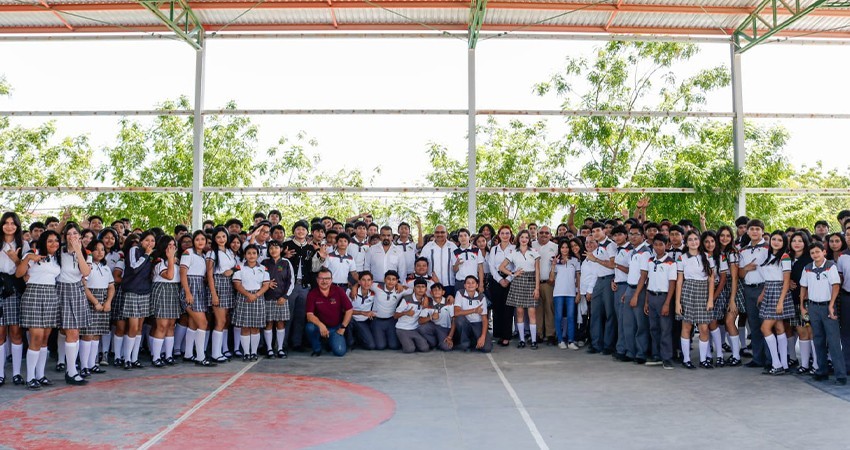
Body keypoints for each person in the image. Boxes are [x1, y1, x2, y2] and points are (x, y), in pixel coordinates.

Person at [17, 230, 62, 389]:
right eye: (50, 241)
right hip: (34, 295)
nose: (54, 244)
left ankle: (40, 375)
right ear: (43, 242)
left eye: (56, 240)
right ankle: (30, 377)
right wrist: (28, 258)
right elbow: (19, 273)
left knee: (44, 339)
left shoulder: (57, 258)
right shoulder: (33, 253)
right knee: (36, 337)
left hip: (51, 296)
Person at [800, 242, 846, 385]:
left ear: (824, 252)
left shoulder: (831, 266)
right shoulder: (807, 268)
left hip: (827, 307)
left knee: (833, 341)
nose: (815, 255)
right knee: (818, 340)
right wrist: (802, 306)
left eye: (817, 252)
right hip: (813, 307)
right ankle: (822, 371)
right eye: (812, 253)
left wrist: (831, 305)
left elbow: (836, 286)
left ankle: (840, 375)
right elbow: (803, 286)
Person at [55, 223, 93, 384]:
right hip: (60, 290)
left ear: (80, 236)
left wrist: (78, 251)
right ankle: (66, 367)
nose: (72, 236)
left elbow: (85, 272)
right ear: (65, 236)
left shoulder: (86, 253)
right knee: (67, 331)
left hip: (77, 291)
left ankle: (71, 370)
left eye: (75, 233)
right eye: (69, 233)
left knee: (74, 332)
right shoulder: (58, 251)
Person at [675, 230, 715, 370]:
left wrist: (710, 299)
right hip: (688, 291)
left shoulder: (707, 257)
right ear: (686, 243)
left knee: (704, 327)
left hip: (703, 292)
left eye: (696, 239)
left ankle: (703, 359)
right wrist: (677, 302)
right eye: (690, 240)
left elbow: (711, 280)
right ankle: (686, 359)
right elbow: (679, 281)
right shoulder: (682, 258)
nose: (693, 242)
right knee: (687, 326)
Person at [757, 230, 795, 376]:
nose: (776, 242)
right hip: (769, 291)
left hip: (779, 292)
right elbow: (768, 278)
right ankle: (783, 364)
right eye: (774, 239)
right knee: (779, 328)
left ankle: (777, 364)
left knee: (765, 328)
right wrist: (762, 294)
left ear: (784, 242)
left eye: (780, 240)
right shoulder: (769, 256)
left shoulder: (785, 257)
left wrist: (780, 302)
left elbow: (786, 281)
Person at [0, 211, 28, 387]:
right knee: (0, 333)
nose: (9, 226)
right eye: (6, 222)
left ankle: (17, 373)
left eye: (13, 223)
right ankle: (0, 373)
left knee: (16, 333)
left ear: (17, 226)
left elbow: (24, 271)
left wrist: (15, 258)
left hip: (15, 288)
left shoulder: (23, 244)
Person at [500, 229, 541, 350]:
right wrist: (513, 274)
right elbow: (501, 267)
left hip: (531, 282)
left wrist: (537, 288)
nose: (524, 239)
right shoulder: (513, 252)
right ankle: (522, 340)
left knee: (532, 312)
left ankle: (533, 340)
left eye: (526, 237)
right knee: (519, 312)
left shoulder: (534, 252)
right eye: (522, 237)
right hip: (518, 282)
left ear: (529, 239)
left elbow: (537, 271)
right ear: (518, 238)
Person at [642, 235, 677, 369]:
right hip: (651, 296)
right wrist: (646, 301)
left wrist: (667, 303)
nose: (658, 247)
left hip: (664, 297)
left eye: (661, 244)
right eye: (655, 244)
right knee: (654, 328)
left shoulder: (671, 263)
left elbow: (672, 284)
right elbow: (648, 281)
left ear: (667, 245)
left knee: (665, 328)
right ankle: (656, 355)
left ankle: (667, 357)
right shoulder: (650, 261)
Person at [180, 230, 215, 367]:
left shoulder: (204, 255)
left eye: (203, 239)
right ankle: (200, 357)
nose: (200, 242)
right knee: (203, 323)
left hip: (200, 287)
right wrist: (188, 293)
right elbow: (183, 273)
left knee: (193, 323)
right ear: (193, 241)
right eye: (197, 239)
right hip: (191, 288)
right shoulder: (188, 253)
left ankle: (188, 354)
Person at [79, 239, 114, 377]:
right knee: (88, 334)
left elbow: (111, 286)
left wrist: (108, 302)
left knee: (96, 334)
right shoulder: (88, 266)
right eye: (96, 249)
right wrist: (95, 302)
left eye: (102, 249)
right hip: (90, 300)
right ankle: (84, 366)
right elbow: (84, 286)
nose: (100, 252)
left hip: (103, 299)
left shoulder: (106, 268)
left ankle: (92, 364)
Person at [739, 219, 770, 369]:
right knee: (754, 324)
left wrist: (765, 291)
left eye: (758, 229)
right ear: (747, 231)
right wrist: (745, 268)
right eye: (752, 229)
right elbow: (740, 273)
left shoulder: (768, 248)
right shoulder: (743, 250)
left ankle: (770, 359)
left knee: (767, 325)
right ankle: (757, 358)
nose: (755, 231)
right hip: (748, 289)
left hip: (764, 288)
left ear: (762, 231)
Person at [121, 231, 155, 370]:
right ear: (141, 241)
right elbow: (134, 268)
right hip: (133, 291)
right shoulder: (134, 250)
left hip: (145, 292)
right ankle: (127, 358)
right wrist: (146, 255)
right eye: (147, 240)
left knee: (140, 327)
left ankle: (134, 358)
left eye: (152, 241)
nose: (150, 243)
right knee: (133, 327)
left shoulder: (153, 255)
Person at [233, 244, 271, 362]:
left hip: (258, 297)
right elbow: (237, 284)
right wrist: (248, 294)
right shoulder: (239, 267)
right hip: (243, 297)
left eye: (254, 253)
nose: (251, 255)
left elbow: (266, 285)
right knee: (245, 327)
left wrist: (256, 295)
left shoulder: (263, 268)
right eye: (249, 253)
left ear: (258, 255)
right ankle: (246, 353)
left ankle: (253, 352)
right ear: (245, 255)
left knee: (255, 327)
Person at [282, 220, 315, 352]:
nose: (301, 231)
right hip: (290, 286)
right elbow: (278, 265)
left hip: (305, 286)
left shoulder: (311, 248)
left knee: (301, 316)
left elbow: (314, 268)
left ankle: (297, 343)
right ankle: (282, 344)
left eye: (303, 229)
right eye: (298, 229)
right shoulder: (286, 245)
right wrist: (284, 256)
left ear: (307, 232)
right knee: (287, 315)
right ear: (293, 231)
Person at [305, 267, 353, 357]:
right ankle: (317, 349)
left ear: (331, 280)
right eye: (321, 278)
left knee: (340, 352)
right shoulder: (312, 294)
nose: (324, 281)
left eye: (327, 278)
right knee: (310, 327)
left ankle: (329, 341)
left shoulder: (339, 291)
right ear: (317, 280)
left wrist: (343, 327)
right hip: (319, 328)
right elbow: (309, 315)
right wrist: (320, 325)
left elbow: (349, 310)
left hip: (336, 328)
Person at [206, 226, 238, 363]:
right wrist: (214, 294)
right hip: (218, 285)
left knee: (225, 321)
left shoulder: (229, 251)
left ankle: (223, 349)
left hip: (229, 285)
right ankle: (215, 353)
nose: (221, 239)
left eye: (223, 236)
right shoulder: (212, 253)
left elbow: (236, 267)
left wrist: (232, 270)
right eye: (218, 237)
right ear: (214, 238)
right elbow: (209, 275)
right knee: (220, 321)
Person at [586, 222, 617, 355]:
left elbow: (613, 264)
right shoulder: (598, 246)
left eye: (598, 230)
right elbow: (596, 269)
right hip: (599, 281)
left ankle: (608, 345)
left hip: (609, 280)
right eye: (593, 231)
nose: (596, 233)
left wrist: (596, 260)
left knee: (610, 314)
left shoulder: (610, 245)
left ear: (604, 231)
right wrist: (591, 288)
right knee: (595, 313)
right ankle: (596, 344)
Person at [149, 235, 180, 367]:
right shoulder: (159, 262)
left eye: (173, 245)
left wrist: (173, 259)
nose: (171, 248)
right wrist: (171, 258)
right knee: (162, 325)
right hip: (162, 291)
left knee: (171, 325)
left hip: (174, 291)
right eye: (169, 245)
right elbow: (169, 275)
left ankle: (168, 355)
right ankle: (156, 356)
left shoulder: (176, 261)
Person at [623, 226, 651, 364]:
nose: (633, 237)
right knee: (628, 323)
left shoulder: (645, 253)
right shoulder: (633, 252)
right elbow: (632, 273)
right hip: (630, 288)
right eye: (631, 234)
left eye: (636, 234)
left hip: (639, 290)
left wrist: (635, 295)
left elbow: (643, 276)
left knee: (640, 324)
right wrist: (627, 292)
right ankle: (630, 351)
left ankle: (641, 353)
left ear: (643, 236)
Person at [262, 240, 294, 359]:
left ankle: (280, 348)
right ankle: (269, 349)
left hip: (281, 298)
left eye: (276, 248)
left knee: (280, 323)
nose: (273, 250)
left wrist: (285, 296)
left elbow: (291, 281)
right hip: (267, 298)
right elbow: (258, 278)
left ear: (281, 249)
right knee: (269, 323)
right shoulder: (264, 262)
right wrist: (266, 284)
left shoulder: (286, 262)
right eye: (271, 248)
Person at [789, 231, 815, 375]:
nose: (797, 243)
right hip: (793, 300)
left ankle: (816, 364)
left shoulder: (809, 259)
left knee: (811, 332)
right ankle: (804, 364)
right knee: (800, 331)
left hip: (806, 301)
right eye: (794, 240)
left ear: (805, 243)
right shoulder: (787, 258)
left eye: (800, 241)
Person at [550, 238, 581, 350]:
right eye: (562, 247)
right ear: (559, 249)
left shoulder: (575, 260)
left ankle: (571, 341)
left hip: (571, 293)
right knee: (558, 317)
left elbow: (578, 277)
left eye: (567, 247)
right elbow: (551, 279)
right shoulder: (556, 260)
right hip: (558, 292)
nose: (565, 249)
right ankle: (560, 340)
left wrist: (579, 292)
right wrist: (553, 265)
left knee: (571, 317)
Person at [488, 225, 515, 347]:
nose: (505, 235)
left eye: (507, 233)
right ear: (499, 235)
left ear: (510, 235)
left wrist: (508, 279)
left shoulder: (514, 249)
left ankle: (506, 336)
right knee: (497, 308)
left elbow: (515, 266)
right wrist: (499, 280)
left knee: (508, 309)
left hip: (510, 280)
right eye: (502, 233)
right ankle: (498, 334)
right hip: (496, 280)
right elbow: (491, 266)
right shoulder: (494, 249)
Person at [533, 226, 559, 345]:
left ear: (550, 235)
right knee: (537, 309)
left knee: (550, 308)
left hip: (549, 283)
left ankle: (550, 334)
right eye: (541, 232)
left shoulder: (555, 247)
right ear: (537, 234)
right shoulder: (531, 245)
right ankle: (538, 334)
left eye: (546, 233)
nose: (544, 235)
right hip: (534, 283)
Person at [454, 276, 492, 353]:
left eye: (473, 283)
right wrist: (474, 310)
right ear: (464, 285)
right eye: (468, 283)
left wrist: (483, 337)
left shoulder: (481, 297)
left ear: (477, 285)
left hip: (478, 324)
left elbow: (484, 319)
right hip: (466, 323)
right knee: (459, 319)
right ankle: (465, 343)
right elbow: (456, 312)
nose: (470, 285)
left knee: (487, 348)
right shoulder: (460, 293)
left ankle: (474, 340)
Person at [369, 270, 405, 351]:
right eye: (388, 279)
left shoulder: (400, 290)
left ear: (397, 281)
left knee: (394, 346)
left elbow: (416, 290)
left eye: (393, 279)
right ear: (384, 279)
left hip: (391, 320)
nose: (391, 281)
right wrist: (354, 287)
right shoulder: (376, 286)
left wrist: (425, 297)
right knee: (380, 346)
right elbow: (363, 283)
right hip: (377, 320)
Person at [394, 279, 430, 354]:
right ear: (414, 288)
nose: (420, 289)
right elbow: (395, 315)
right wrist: (406, 313)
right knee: (409, 349)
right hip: (402, 328)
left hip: (414, 329)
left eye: (423, 287)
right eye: (418, 287)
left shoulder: (425, 300)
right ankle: (406, 342)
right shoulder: (407, 299)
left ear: (426, 289)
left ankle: (410, 342)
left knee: (425, 348)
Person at [421, 225, 459, 297]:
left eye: (442, 232)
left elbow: (456, 266)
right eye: (437, 232)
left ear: (446, 233)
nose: (440, 234)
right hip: (432, 285)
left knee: (448, 304)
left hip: (449, 285)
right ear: (434, 233)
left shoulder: (452, 246)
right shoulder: (428, 247)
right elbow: (421, 264)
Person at [418, 283, 455, 351]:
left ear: (443, 292)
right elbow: (420, 321)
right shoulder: (428, 303)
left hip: (445, 329)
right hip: (433, 326)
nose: (437, 291)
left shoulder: (449, 302)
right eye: (434, 290)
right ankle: (434, 343)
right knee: (422, 328)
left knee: (447, 347)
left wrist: (450, 337)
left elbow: (454, 321)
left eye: (439, 290)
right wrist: (431, 317)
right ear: (431, 293)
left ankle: (441, 342)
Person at [348, 271, 377, 350]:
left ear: (372, 282)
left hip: (363, 322)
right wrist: (361, 312)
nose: (366, 283)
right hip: (351, 320)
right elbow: (345, 310)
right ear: (359, 281)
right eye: (363, 280)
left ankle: (358, 337)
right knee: (350, 343)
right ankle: (350, 340)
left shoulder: (373, 294)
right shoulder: (351, 292)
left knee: (371, 346)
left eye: (369, 280)